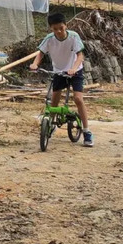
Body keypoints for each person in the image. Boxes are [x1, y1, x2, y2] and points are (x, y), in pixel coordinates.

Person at [30, 11, 93, 147]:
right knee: (54, 101)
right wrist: (35, 64)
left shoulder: (74, 37)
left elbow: (80, 56)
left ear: (66, 26)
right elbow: (40, 53)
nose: (58, 31)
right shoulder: (49, 39)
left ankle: (87, 131)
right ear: (51, 29)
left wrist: (74, 68)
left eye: (61, 28)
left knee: (78, 99)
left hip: (75, 71)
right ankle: (51, 126)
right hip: (59, 71)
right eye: (55, 29)